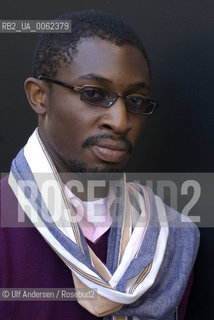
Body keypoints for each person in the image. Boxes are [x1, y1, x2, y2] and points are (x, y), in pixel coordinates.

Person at [0, 10, 199, 320]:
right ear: (39, 96)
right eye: (93, 94)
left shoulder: (173, 237)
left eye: (135, 100)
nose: (120, 122)